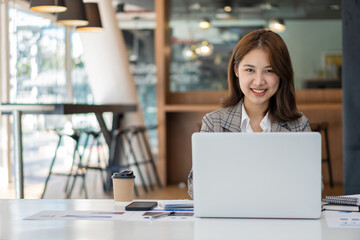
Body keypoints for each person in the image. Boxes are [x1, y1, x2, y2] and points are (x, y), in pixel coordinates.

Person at [187, 29, 312, 198]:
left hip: (280, 218)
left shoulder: (299, 124)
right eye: (250, 70)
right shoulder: (214, 122)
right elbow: (196, 188)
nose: (259, 81)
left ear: (282, 73)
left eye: (269, 70)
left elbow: (312, 186)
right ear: (237, 70)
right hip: (229, 217)